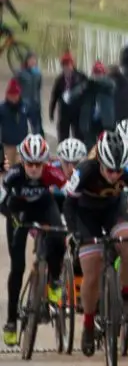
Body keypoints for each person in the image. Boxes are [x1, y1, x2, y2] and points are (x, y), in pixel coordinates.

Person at [65, 131, 128, 357]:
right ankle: (89, 323)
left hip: (115, 210)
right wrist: (74, 233)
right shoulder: (84, 170)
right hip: (86, 215)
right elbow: (69, 205)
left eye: (118, 171)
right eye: (109, 170)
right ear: (100, 162)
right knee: (91, 268)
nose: (114, 176)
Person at [1, 134, 67, 346]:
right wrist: (13, 218)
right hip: (18, 211)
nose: (33, 169)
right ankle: (11, 321)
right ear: (22, 161)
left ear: (45, 163)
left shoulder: (51, 173)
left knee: (58, 236)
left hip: (43, 207)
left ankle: (55, 280)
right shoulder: (13, 175)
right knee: (18, 267)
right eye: (29, 164)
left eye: (38, 164)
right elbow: (2, 202)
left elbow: (69, 194)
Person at [49, 52, 86, 142]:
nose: (67, 67)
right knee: (63, 135)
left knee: (78, 135)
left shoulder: (81, 76)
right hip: (64, 112)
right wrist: (51, 111)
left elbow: (87, 91)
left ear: (72, 65)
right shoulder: (60, 80)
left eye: (68, 64)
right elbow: (54, 96)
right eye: (64, 65)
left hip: (77, 111)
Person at [78, 62, 116, 146]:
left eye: (99, 73)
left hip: (105, 122)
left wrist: (95, 80)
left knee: (106, 145)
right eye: (96, 73)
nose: (97, 75)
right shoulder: (89, 85)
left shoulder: (109, 84)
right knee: (90, 147)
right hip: (90, 121)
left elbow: (110, 84)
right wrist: (86, 85)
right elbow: (78, 93)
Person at [0, 78, 30, 168]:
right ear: (7, 95)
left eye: (15, 95)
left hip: (22, 145)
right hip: (7, 145)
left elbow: (34, 122)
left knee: (20, 168)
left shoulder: (25, 106)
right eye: (11, 95)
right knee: (7, 168)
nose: (13, 98)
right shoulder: (2, 108)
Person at [15, 53, 42, 135]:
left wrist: (38, 103)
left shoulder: (38, 74)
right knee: (22, 128)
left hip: (35, 104)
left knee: (37, 129)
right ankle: (22, 145)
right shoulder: (21, 73)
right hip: (24, 104)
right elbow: (15, 88)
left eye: (34, 59)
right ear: (26, 61)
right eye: (30, 60)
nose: (33, 61)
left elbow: (38, 88)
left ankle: (38, 145)